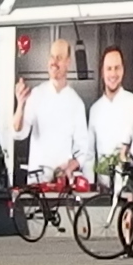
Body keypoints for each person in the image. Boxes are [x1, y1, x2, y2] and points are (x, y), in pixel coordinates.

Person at [17, 38, 92, 189]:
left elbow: (83, 148)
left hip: (61, 183)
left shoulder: (76, 103)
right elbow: (19, 133)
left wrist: (71, 166)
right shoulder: (36, 94)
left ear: (68, 62)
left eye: (59, 57)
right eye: (52, 57)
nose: (54, 62)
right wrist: (20, 104)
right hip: (37, 180)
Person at [85, 46, 133, 165]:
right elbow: (89, 155)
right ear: (102, 72)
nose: (113, 74)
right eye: (109, 69)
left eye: (117, 68)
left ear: (123, 70)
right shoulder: (95, 110)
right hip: (103, 176)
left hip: (130, 175)